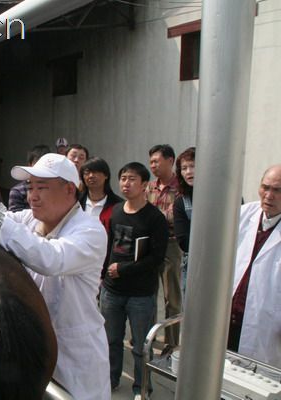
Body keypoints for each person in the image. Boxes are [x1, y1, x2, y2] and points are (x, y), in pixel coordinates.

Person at [0, 153, 111, 400]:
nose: (32, 195)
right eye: (30, 187)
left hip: (75, 353)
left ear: (70, 189)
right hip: (35, 345)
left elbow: (51, 258)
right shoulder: (29, 218)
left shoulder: (90, 230)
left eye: (42, 187)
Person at [100, 162, 168, 400]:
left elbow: (157, 258)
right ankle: (110, 379)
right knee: (111, 340)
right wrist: (102, 277)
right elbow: (108, 247)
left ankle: (141, 388)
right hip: (111, 291)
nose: (125, 184)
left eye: (131, 179)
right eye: (123, 178)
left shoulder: (155, 218)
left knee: (141, 347)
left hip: (140, 294)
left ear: (144, 185)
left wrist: (124, 269)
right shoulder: (116, 211)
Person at [228, 164, 281, 368]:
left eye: (277, 190)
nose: (269, 195)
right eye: (265, 187)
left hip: (265, 327)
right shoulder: (242, 215)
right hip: (228, 319)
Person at [146, 144, 182, 353]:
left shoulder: (182, 188)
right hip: (150, 244)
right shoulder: (149, 186)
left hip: (171, 244)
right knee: (148, 293)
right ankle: (147, 336)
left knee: (172, 298)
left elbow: (177, 217)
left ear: (170, 160)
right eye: (150, 162)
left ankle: (171, 342)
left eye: (156, 161)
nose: (153, 166)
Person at [172, 147, 195, 300]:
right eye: (184, 168)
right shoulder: (181, 202)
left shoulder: (228, 195)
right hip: (193, 263)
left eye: (192, 166)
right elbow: (183, 241)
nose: (188, 172)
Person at [79, 157, 123, 234]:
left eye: (95, 172)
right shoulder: (76, 202)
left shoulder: (118, 205)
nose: (91, 176)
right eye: (87, 173)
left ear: (106, 175)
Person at [8, 144, 50, 212]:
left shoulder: (56, 188)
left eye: (41, 188)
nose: (34, 198)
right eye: (30, 189)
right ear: (30, 165)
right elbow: (15, 218)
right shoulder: (17, 191)